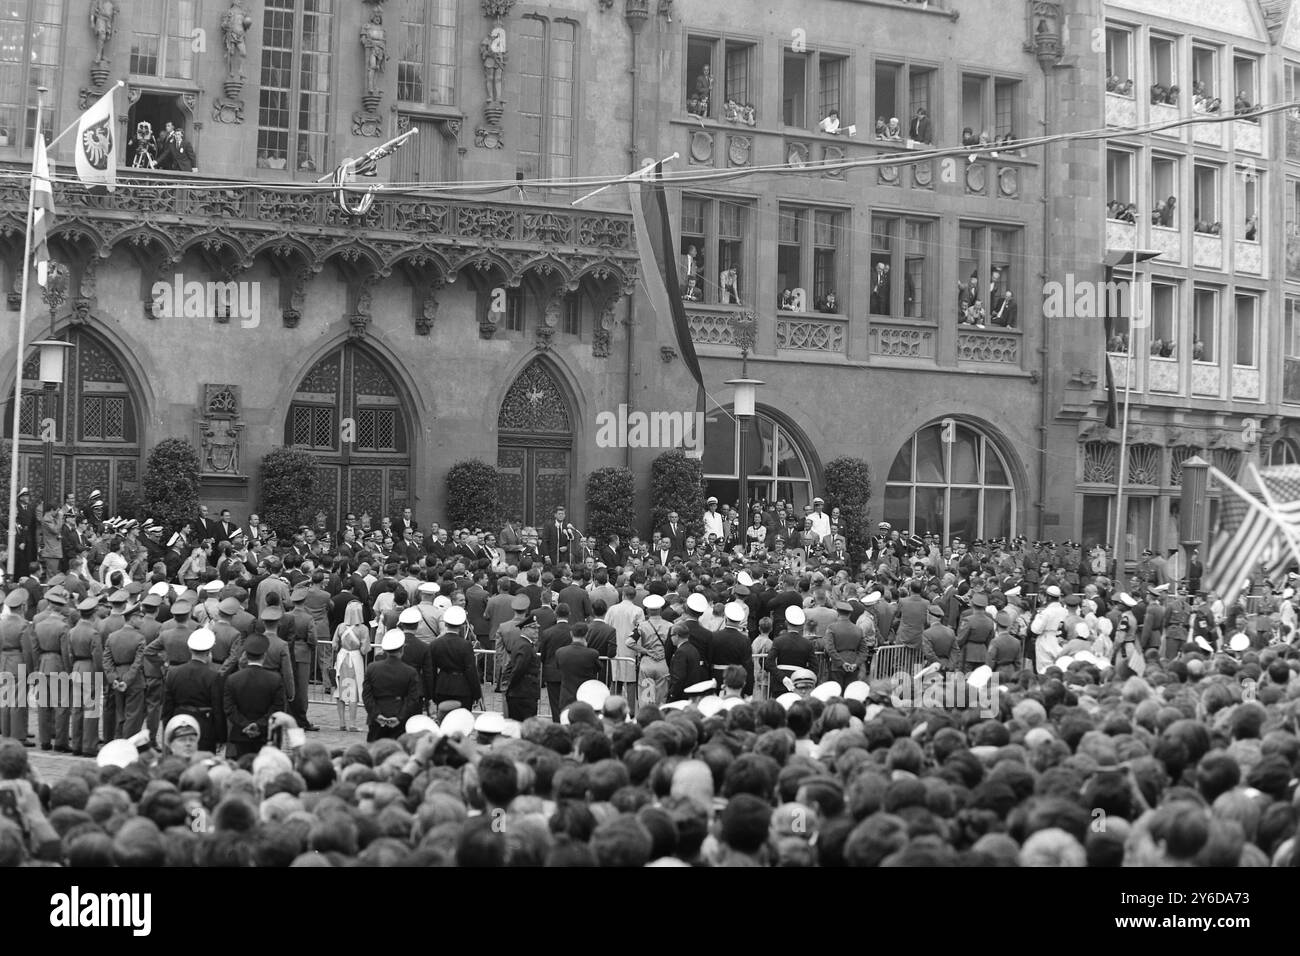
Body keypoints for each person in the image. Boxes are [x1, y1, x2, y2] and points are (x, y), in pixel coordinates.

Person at [223, 632, 284, 758]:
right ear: (265, 655)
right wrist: (259, 725)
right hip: (265, 734)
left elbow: (229, 708)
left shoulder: (233, 679)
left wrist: (245, 724)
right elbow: (277, 708)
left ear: (245, 654)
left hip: (240, 734)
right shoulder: (275, 679)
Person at [161, 628, 223, 753]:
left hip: (178, 723)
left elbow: (167, 706)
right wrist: (221, 737)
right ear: (209, 652)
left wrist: (167, 729)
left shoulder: (173, 673)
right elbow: (218, 710)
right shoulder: (213, 676)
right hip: (204, 726)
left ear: (190, 650)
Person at [332, 600, 370, 732]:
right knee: (353, 691)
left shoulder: (340, 627)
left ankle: (342, 722)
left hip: (342, 658)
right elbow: (365, 649)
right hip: (355, 659)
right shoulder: (363, 629)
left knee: (340, 691)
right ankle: (352, 723)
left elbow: (334, 645)